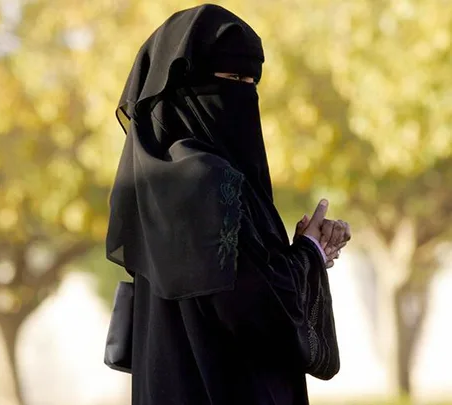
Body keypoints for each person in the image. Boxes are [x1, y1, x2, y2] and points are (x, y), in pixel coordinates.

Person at [106, 4, 351, 405]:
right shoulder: (206, 182)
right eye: (231, 78)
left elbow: (226, 285)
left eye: (251, 81)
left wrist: (308, 253)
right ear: (189, 85)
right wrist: (309, 252)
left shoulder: (152, 184)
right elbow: (257, 310)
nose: (243, 94)